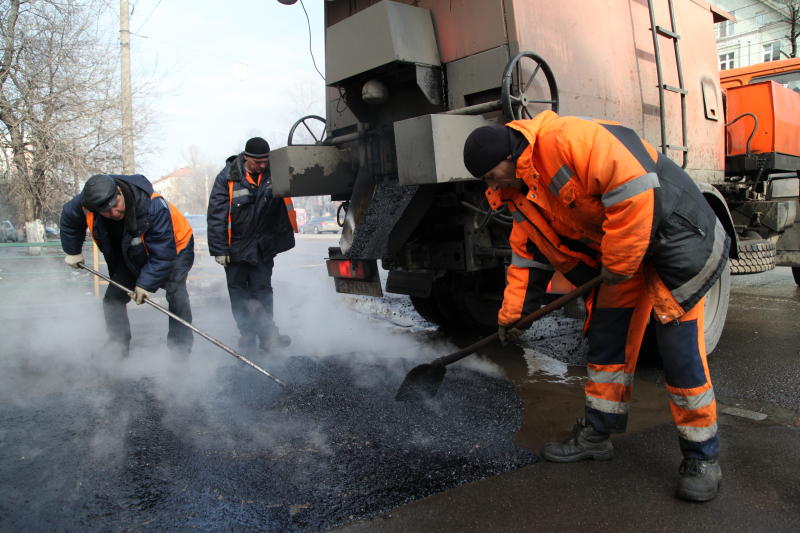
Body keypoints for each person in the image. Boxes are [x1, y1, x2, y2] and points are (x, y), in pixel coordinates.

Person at [462, 111, 731, 502]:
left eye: (490, 175)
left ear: (508, 156)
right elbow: (528, 258)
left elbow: (635, 189)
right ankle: (597, 436)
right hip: (622, 256)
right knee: (607, 342)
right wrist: (513, 317)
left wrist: (618, 264)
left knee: (679, 352)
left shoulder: (567, 138)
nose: (491, 185)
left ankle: (702, 457)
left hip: (673, 238)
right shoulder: (518, 195)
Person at [60, 174, 195, 356]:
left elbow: (163, 254)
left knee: (176, 293)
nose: (114, 213)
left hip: (176, 247)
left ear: (119, 192)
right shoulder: (87, 202)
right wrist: (73, 251)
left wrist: (145, 284)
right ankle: (117, 348)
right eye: (106, 211)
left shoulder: (152, 206)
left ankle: (180, 351)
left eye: (116, 206)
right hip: (132, 250)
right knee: (113, 298)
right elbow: (70, 217)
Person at [206, 137, 298, 352]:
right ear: (247, 158)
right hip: (235, 249)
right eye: (258, 162)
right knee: (239, 294)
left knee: (262, 292)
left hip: (263, 248)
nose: (262, 166)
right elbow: (217, 215)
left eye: (266, 161)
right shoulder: (227, 178)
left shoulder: (274, 175)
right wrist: (219, 250)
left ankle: (267, 336)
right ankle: (247, 334)